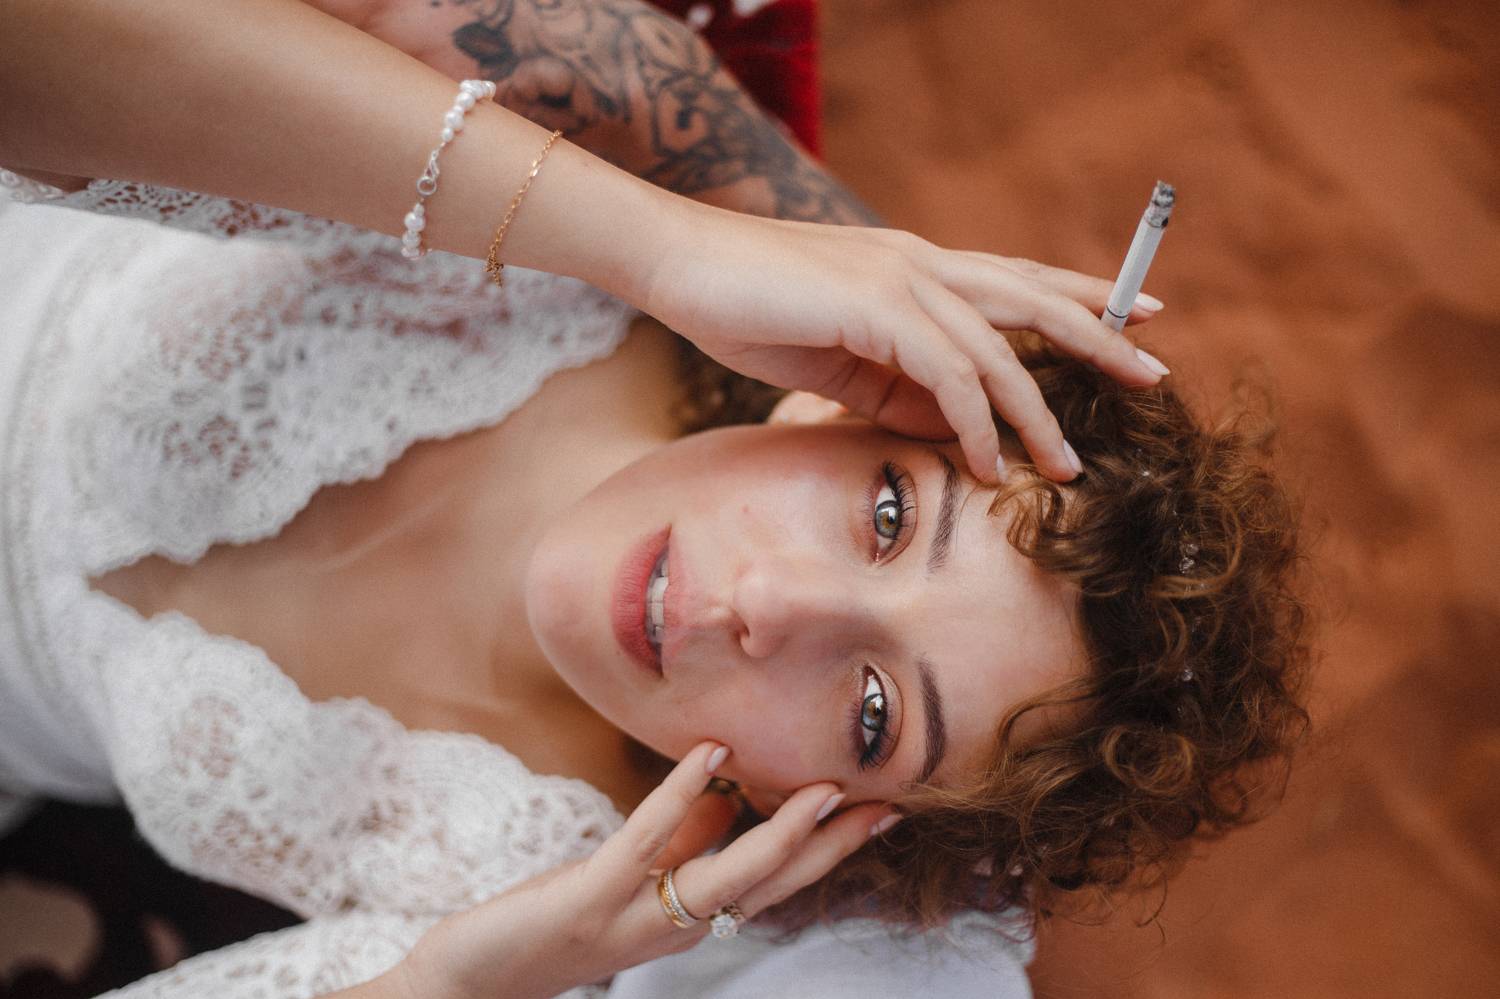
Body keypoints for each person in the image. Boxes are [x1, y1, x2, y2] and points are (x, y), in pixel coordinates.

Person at [0, 1, 1310, 996]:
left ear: (829, 819)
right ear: (848, 406)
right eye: (889, 517)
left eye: (872, 713)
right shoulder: (599, 189)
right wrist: (664, 243)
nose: (769, 607)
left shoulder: (560, 894)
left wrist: (455, 982)